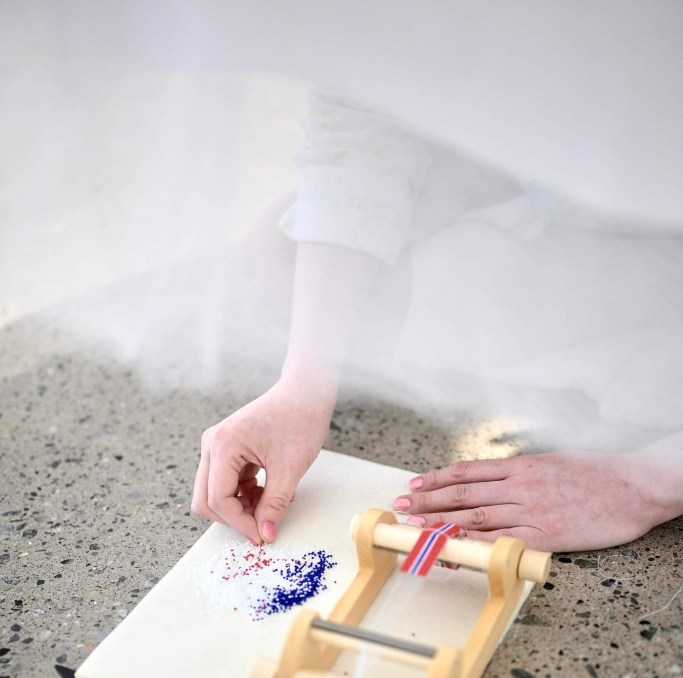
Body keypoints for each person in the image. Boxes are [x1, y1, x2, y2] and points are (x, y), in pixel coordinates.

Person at [192, 93, 683, 552]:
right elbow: (364, 121)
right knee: (284, 251)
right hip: (569, 191)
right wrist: (304, 383)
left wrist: (644, 484)